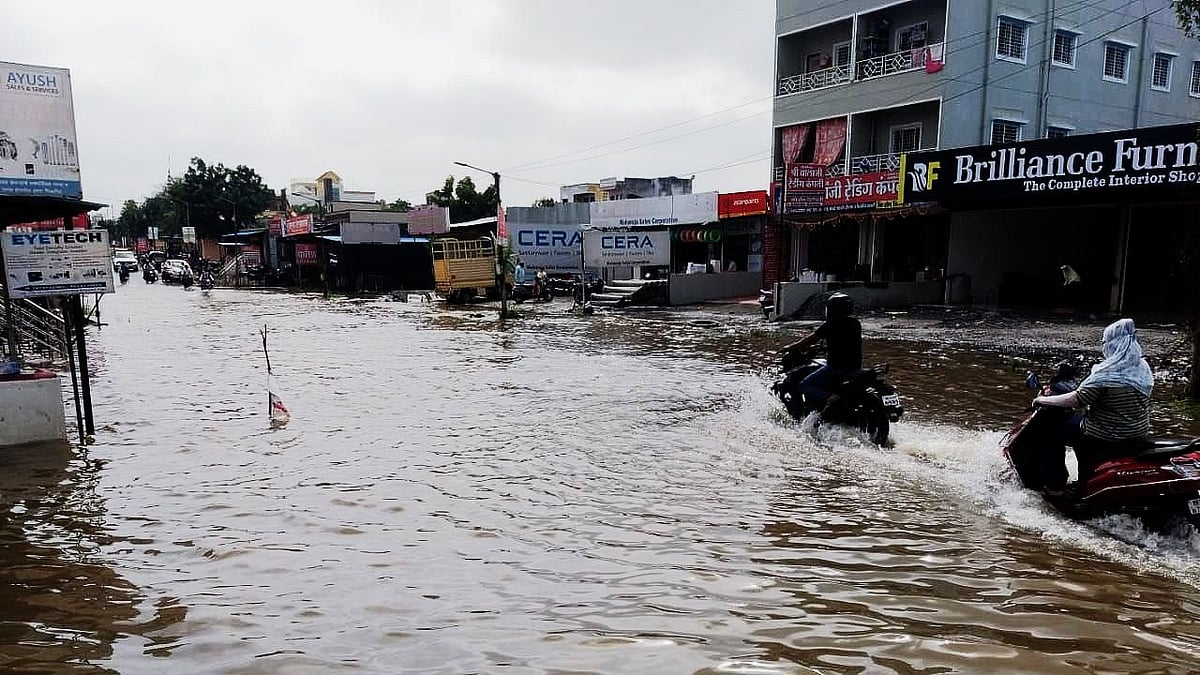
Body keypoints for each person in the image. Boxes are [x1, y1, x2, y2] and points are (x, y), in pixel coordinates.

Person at [1033, 318, 1152, 493]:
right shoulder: (1142, 368)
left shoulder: (1107, 373)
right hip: (1137, 434)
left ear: (1114, 345)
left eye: (1106, 343)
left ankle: (1055, 485)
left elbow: (1076, 399)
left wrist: (1042, 400)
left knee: (1051, 433)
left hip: (1104, 437)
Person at [782, 292, 862, 408]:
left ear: (832, 309)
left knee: (805, 384)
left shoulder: (831, 324)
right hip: (855, 367)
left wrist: (790, 347)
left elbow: (810, 339)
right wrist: (823, 348)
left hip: (836, 369)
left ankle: (829, 397)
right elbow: (843, 342)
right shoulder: (855, 323)